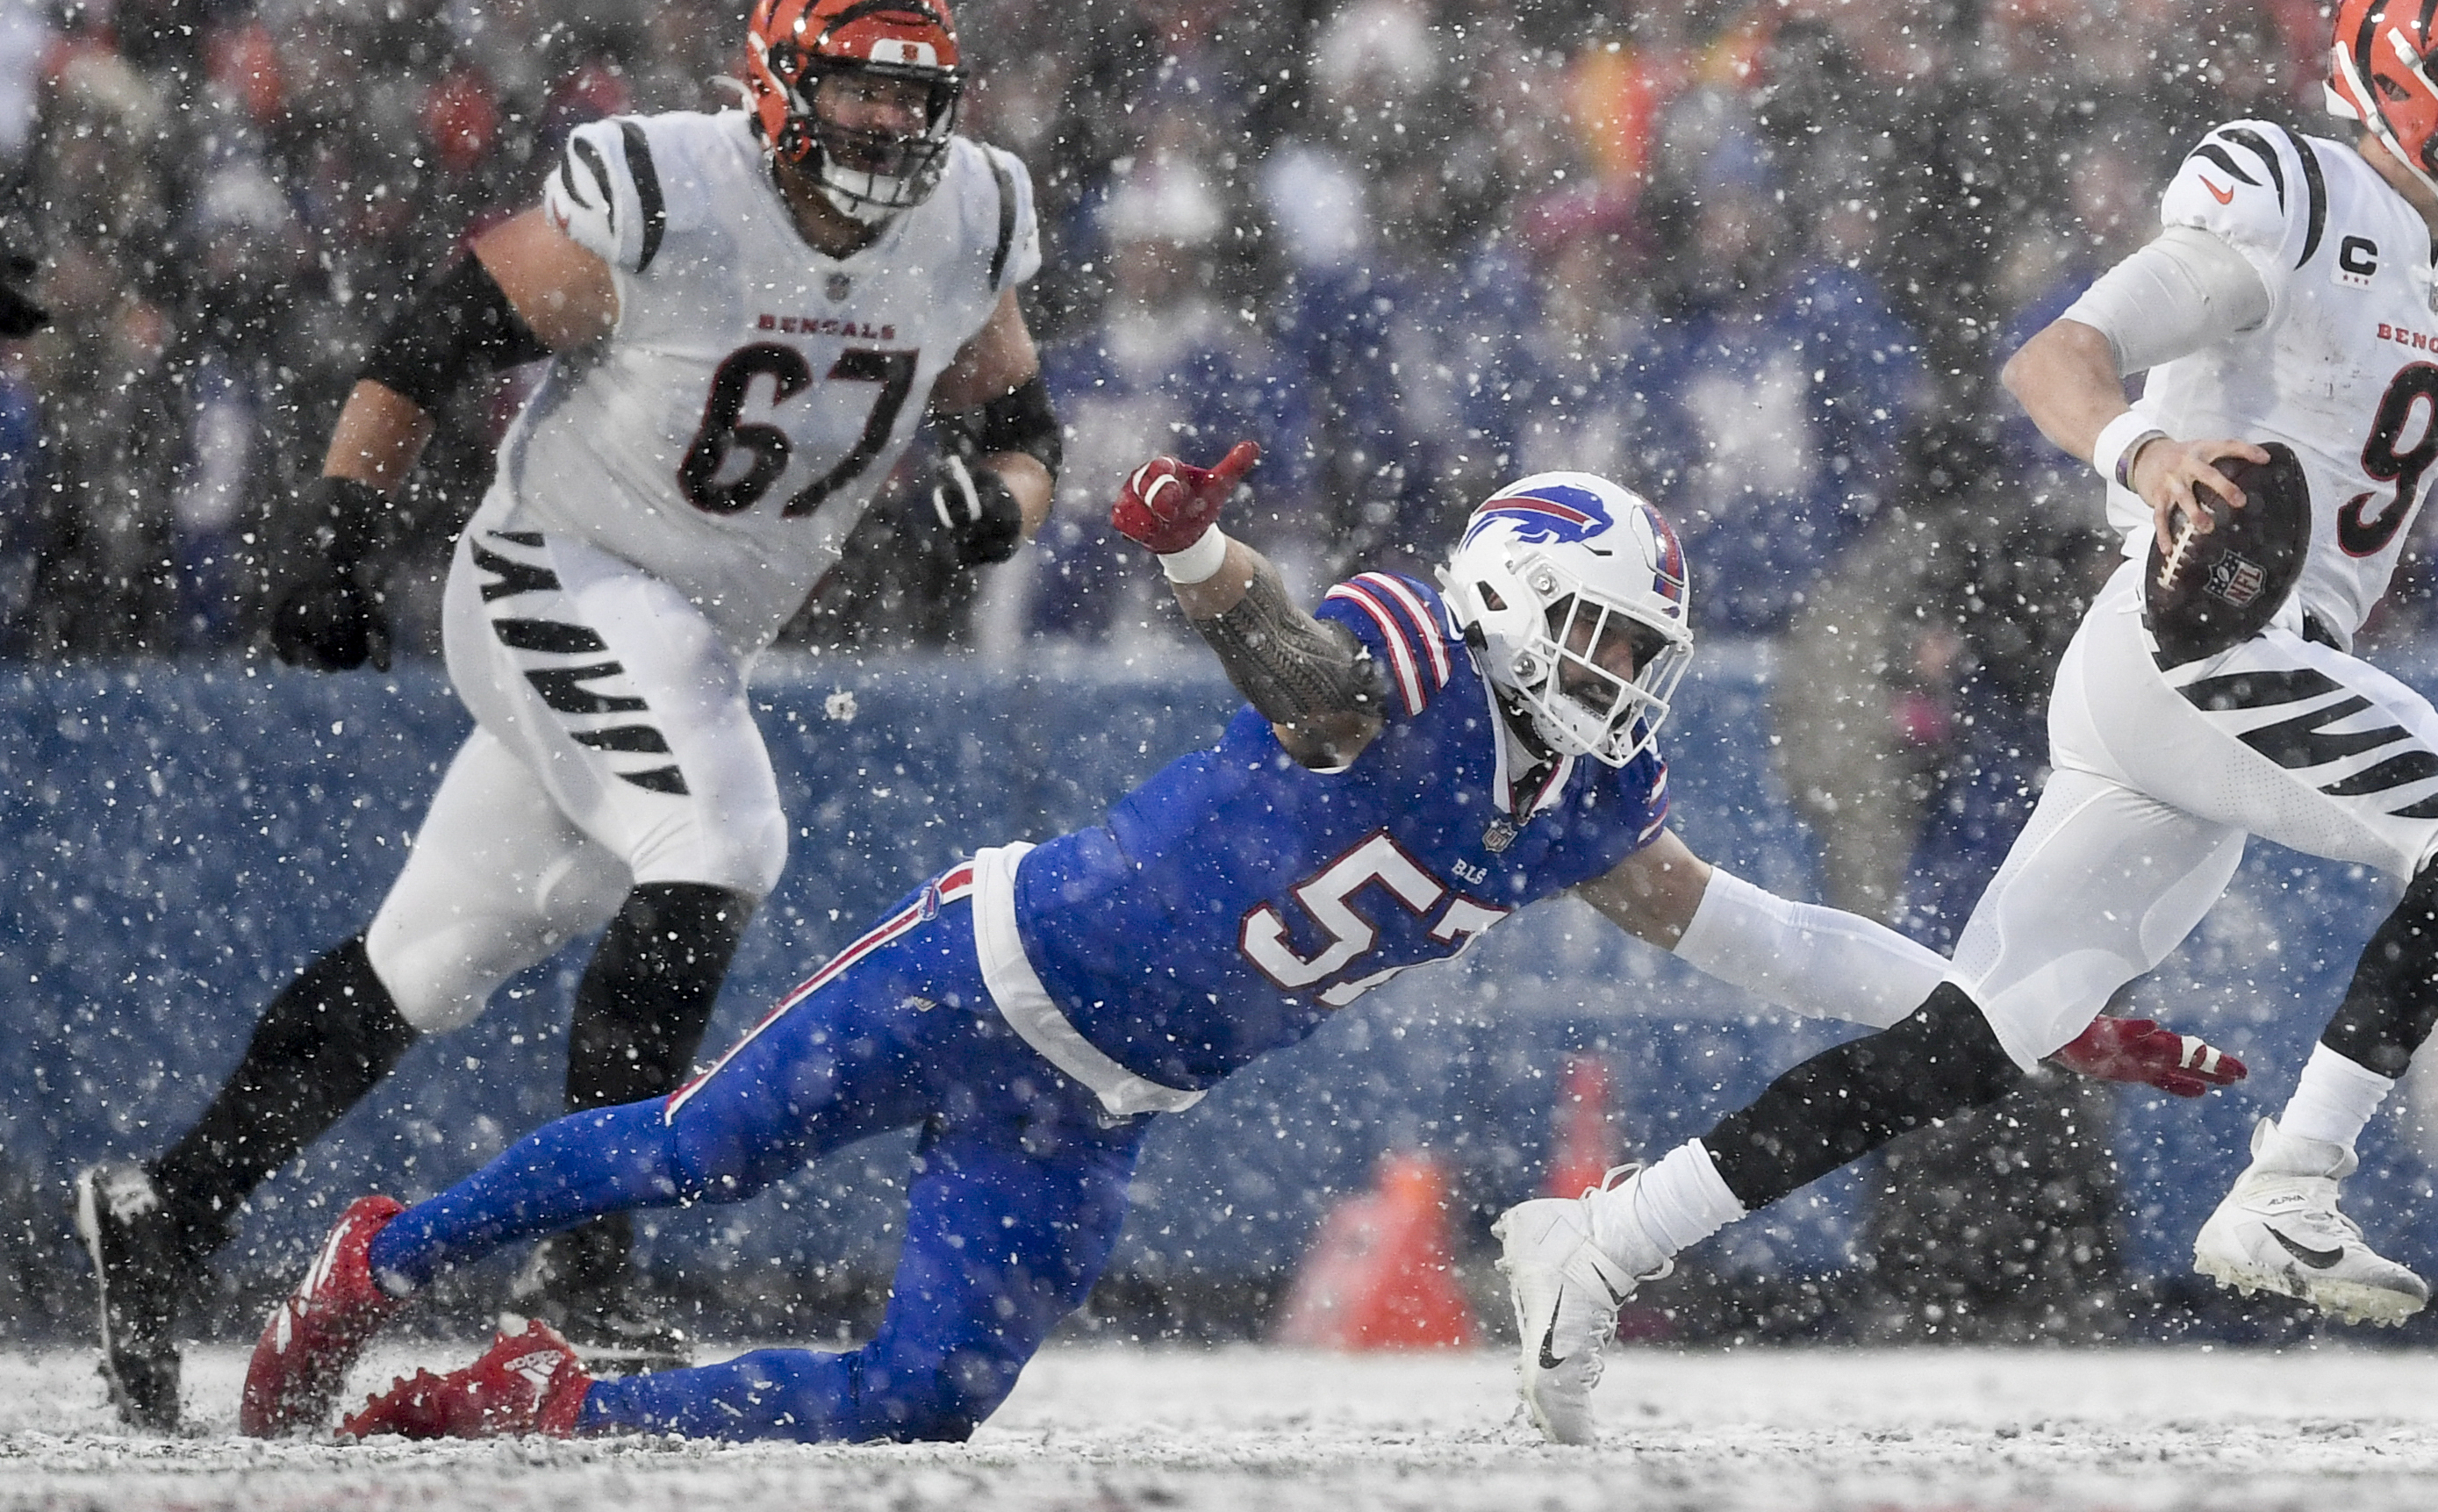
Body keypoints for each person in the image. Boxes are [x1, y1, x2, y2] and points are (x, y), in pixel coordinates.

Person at [229, 451, 2238, 1444]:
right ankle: (377, 1253)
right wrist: (1195, 558)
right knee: (687, 1151)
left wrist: (2005, 1014)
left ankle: (544, 1402)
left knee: (927, 1395)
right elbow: (1291, 665)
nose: (1623, 685)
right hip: (990, 965)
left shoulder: (1587, 804)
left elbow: (1770, 941)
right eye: (1604, 640)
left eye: (1642, 655)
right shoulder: (1410, 655)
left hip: (1105, 1094)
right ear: (1516, 604)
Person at [1493, 0, 2438, 1444]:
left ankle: (1604, 1239)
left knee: (1964, 1039)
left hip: (2230, 677)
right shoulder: (2289, 191)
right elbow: (2058, 358)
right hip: (2192, 637)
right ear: (2402, 77)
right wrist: (2143, 456)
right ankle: (2291, 1184)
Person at [73, 0, 1064, 1432]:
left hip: (694, 625)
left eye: (906, 104)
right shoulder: (671, 189)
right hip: (559, 563)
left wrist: (1000, 503)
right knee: (719, 841)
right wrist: (340, 533)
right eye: (853, 96)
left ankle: (168, 1207)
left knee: (430, 956)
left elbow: (1022, 422)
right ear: (775, 86)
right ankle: (585, 1263)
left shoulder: (969, 216)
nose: (883, 132)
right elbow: (432, 336)